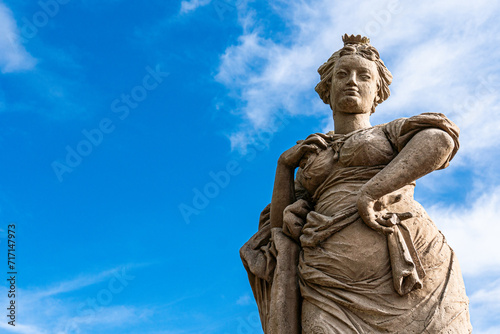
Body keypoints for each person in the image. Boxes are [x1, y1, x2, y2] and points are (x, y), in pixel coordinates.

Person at [240, 34, 472, 333]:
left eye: (364, 76)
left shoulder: (388, 132)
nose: (352, 81)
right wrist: (284, 165)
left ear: (377, 91)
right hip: (326, 282)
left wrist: (372, 191)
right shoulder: (311, 153)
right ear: (328, 87)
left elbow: (440, 139)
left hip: (411, 276)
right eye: (342, 74)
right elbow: (276, 234)